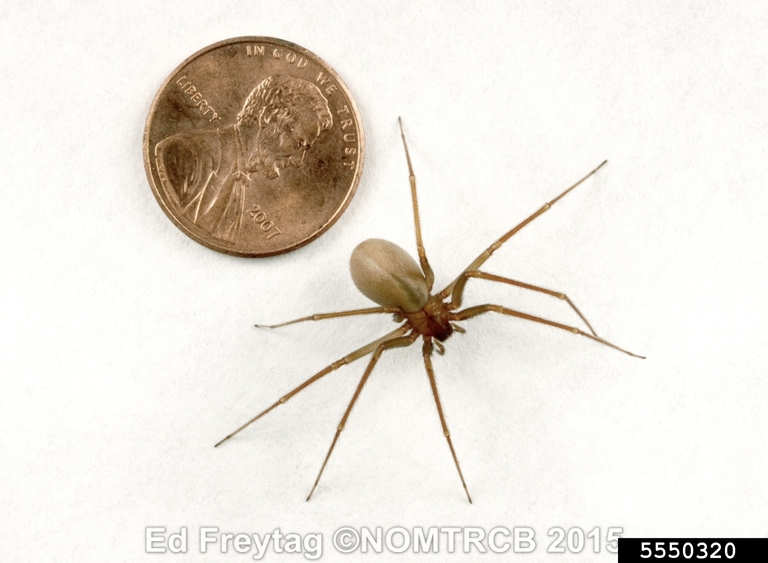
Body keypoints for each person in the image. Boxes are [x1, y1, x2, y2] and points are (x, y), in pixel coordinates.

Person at [155, 75, 333, 244]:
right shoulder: (183, 153)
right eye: (298, 143)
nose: (298, 161)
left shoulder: (240, 177)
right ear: (268, 116)